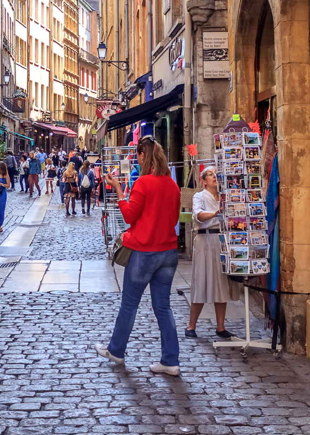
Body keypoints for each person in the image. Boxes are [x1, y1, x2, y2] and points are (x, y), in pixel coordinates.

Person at [94, 136, 181, 375]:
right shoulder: (172, 185)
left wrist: (119, 190)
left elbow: (130, 215)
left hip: (144, 252)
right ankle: (171, 360)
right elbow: (173, 219)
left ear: (143, 156)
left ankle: (116, 350)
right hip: (168, 252)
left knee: (129, 304)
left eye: (138, 155)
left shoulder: (143, 182)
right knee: (163, 307)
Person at [186, 167, 240, 338]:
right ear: (204, 181)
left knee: (221, 282)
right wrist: (216, 213)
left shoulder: (225, 197)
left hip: (222, 241)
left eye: (216, 174)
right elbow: (198, 215)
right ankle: (191, 325)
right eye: (210, 174)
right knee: (200, 280)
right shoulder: (199, 196)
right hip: (205, 240)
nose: (214, 177)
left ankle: (221, 326)